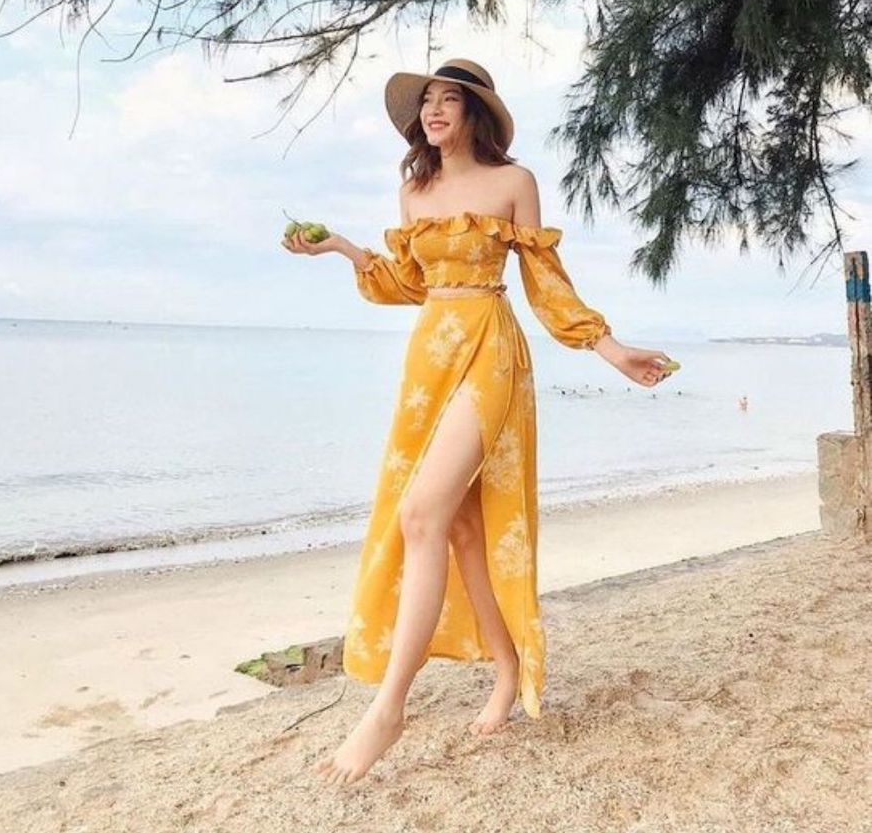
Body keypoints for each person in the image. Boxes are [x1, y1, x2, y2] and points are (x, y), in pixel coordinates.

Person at [282, 57, 673, 785]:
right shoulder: (414, 191)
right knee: (459, 529)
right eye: (426, 101)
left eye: (449, 100)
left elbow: (546, 283)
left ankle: (389, 707)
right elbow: (408, 283)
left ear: (475, 114)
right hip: (428, 356)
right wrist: (338, 246)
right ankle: (506, 667)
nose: (433, 111)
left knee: (420, 514)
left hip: (491, 348)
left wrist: (610, 347)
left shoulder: (512, 182)